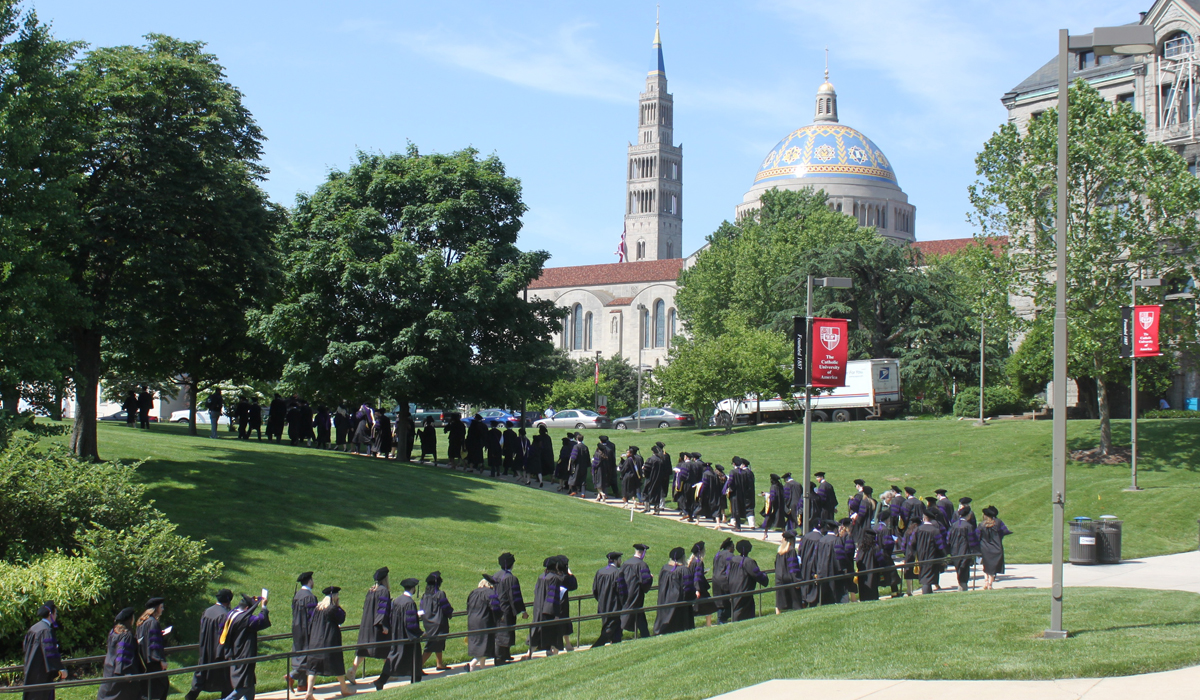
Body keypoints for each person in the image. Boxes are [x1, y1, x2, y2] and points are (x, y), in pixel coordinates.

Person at [301, 586, 353, 700]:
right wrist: (338, 605)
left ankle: (309, 693)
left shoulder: (317, 608)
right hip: (329, 641)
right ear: (334, 597)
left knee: (313, 668)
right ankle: (344, 689)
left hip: (315, 641)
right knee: (337, 664)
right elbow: (342, 618)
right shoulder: (332, 609)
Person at [373, 578, 423, 689]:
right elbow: (411, 624)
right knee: (415, 659)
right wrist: (420, 633)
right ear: (413, 588)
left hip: (397, 635)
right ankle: (416, 684)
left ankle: (381, 680)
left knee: (394, 657)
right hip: (408, 638)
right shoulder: (409, 603)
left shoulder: (397, 601)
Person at [219, 594, 271, 700]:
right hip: (244, 654)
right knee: (244, 685)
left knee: (249, 681)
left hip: (234, 651)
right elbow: (261, 621)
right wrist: (263, 607)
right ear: (247, 608)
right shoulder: (245, 619)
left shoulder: (232, 613)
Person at [185, 589, 233, 700]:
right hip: (218, 652)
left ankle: (192, 694)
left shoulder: (207, 611)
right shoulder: (225, 615)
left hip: (205, 649)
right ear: (228, 600)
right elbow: (224, 637)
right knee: (226, 681)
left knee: (202, 673)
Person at [527, 556, 576, 657]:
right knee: (554, 634)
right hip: (550, 611)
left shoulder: (541, 577)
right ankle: (553, 653)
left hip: (538, 609)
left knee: (537, 632)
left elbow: (536, 592)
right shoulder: (555, 578)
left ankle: (529, 654)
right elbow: (552, 596)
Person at [349, 568, 391, 684]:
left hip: (367, 626)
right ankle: (389, 672)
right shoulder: (383, 591)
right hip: (377, 627)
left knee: (364, 649)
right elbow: (382, 610)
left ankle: (352, 670)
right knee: (386, 648)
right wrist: (383, 625)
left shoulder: (371, 591)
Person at [23, 601, 65, 700]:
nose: (56, 616)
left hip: (30, 669)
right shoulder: (46, 630)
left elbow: (25, 648)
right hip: (42, 673)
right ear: (51, 614)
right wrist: (61, 669)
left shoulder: (33, 628)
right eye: (56, 613)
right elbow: (50, 653)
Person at [96, 607, 142, 700]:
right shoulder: (126, 635)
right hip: (120, 674)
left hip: (109, 670)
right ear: (130, 619)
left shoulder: (113, 633)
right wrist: (126, 674)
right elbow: (123, 656)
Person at [492, 553, 527, 665]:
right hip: (506, 610)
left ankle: (506, 654)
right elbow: (515, 597)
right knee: (504, 633)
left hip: (495, 608)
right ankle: (499, 658)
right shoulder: (511, 578)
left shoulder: (495, 576)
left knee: (500, 632)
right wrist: (522, 611)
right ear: (512, 565)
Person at [653, 547, 694, 636]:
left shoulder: (665, 568)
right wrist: (692, 597)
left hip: (664, 601)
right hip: (679, 606)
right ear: (683, 557)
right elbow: (688, 589)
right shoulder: (684, 570)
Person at [288, 572, 316, 694]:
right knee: (307, 654)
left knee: (299, 653)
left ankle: (302, 685)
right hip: (307, 628)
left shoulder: (297, 595)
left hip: (297, 628)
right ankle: (291, 676)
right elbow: (312, 616)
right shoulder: (309, 597)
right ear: (309, 581)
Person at [465, 575, 501, 672]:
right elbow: (495, 608)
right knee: (485, 645)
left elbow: (467, 607)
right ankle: (471, 665)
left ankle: (482, 668)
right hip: (485, 622)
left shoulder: (473, 592)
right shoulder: (490, 593)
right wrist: (499, 617)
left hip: (472, 621)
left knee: (480, 644)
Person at [726, 540, 769, 622]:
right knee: (742, 614)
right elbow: (758, 576)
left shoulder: (732, 560)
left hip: (733, 589)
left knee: (736, 610)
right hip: (744, 591)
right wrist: (765, 576)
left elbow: (727, 574)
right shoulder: (749, 562)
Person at [907, 509, 947, 595]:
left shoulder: (918, 529)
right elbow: (940, 546)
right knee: (928, 578)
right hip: (932, 556)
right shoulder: (935, 531)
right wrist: (943, 556)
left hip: (921, 556)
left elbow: (912, 543)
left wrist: (914, 554)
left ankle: (928, 593)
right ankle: (926, 594)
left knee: (924, 575)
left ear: (924, 519)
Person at [136, 597, 169, 700]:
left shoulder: (142, 622)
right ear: (156, 608)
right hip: (153, 662)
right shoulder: (153, 622)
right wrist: (160, 660)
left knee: (149, 689)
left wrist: (160, 634)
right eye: (161, 607)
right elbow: (154, 644)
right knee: (161, 687)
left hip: (145, 660)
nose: (163, 609)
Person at [418, 572, 453, 671]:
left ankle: (439, 663)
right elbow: (445, 607)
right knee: (430, 646)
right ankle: (417, 667)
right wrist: (450, 613)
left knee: (438, 643)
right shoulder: (440, 594)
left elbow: (422, 609)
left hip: (428, 623)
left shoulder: (424, 596)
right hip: (439, 624)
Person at [592, 551, 627, 647]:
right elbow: (622, 592)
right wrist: (623, 603)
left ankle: (616, 646)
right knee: (608, 630)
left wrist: (601, 601)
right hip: (614, 607)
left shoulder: (600, 572)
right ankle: (595, 647)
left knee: (616, 631)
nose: (620, 561)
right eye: (620, 559)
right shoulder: (617, 573)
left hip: (603, 606)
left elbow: (595, 590)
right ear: (616, 560)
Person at [620, 543, 653, 639]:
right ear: (642, 553)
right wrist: (650, 578)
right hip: (636, 595)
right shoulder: (642, 565)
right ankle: (645, 636)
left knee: (637, 616)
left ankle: (645, 636)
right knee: (630, 614)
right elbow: (645, 582)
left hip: (625, 594)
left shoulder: (625, 563)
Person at [947, 506, 981, 592]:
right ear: (968, 515)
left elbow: (948, 539)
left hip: (954, 551)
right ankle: (962, 588)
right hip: (965, 551)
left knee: (959, 569)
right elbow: (972, 541)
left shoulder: (953, 525)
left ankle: (961, 587)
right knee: (964, 570)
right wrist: (977, 552)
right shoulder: (968, 526)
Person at [978, 506, 1012, 590]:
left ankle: (986, 581)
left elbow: (977, 536)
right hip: (996, 547)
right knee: (992, 568)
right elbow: (1005, 531)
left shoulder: (981, 525)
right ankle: (990, 584)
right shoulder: (998, 523)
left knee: (985, 566)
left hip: (985, 548)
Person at [686, 541, 717, 627]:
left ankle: (705, 624)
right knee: (709, 605)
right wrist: (697, 589)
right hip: (699, 588)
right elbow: (697, 576)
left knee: (696, 607)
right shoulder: (699, 562)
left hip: (692, 586)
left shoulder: (691, 561)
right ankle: (708, 624)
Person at [855, 529, 890, 602]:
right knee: (873, 592)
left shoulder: (861, 548)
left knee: (863, 592)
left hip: (862, 574)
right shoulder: (875, 548)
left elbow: (858, 560)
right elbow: (880, 560)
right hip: (873, 573)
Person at [774, 530, 803, 613]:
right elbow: (793, 567)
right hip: (789, 579)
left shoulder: (779, 551)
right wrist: (797, 580)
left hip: (779, 577)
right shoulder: (791, 551)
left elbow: (776, 565)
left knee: (780, 601)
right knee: (796, 603)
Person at [799, 520, 824, 608]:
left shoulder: (805, 537)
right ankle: (812, 603)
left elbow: (800, 551)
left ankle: (803, 601)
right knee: (813, 588)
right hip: (815, 568)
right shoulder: (821, 539)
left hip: (804, 567)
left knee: (805, 584)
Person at [726, 457, 756, 531]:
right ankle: (736, 522)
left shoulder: (744, 472)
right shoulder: (748, 472)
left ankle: (746, 524)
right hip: (746, 492)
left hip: (744, 493)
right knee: (741, 508)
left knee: (741, 508)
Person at [710, 538, 735, 624]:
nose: (734, 549)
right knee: (727, 602)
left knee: (719, 602)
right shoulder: (729, 555)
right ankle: (722, 620)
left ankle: (720, 619)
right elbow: (730, 570)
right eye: (733, 547)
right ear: (729, 547)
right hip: (724, 581)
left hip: (715, 580)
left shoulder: (718, 554)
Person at [567, 433, 590, 497]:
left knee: (573, 478)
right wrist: (588, 464)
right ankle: (583, 493)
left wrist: (571, 463)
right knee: (583, 479)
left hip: (577, 465)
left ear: (576, 439)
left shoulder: (576, 446)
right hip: (584, 466)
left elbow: (573, 457)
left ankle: (574, 491)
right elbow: (588, 457)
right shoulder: (585, 447)